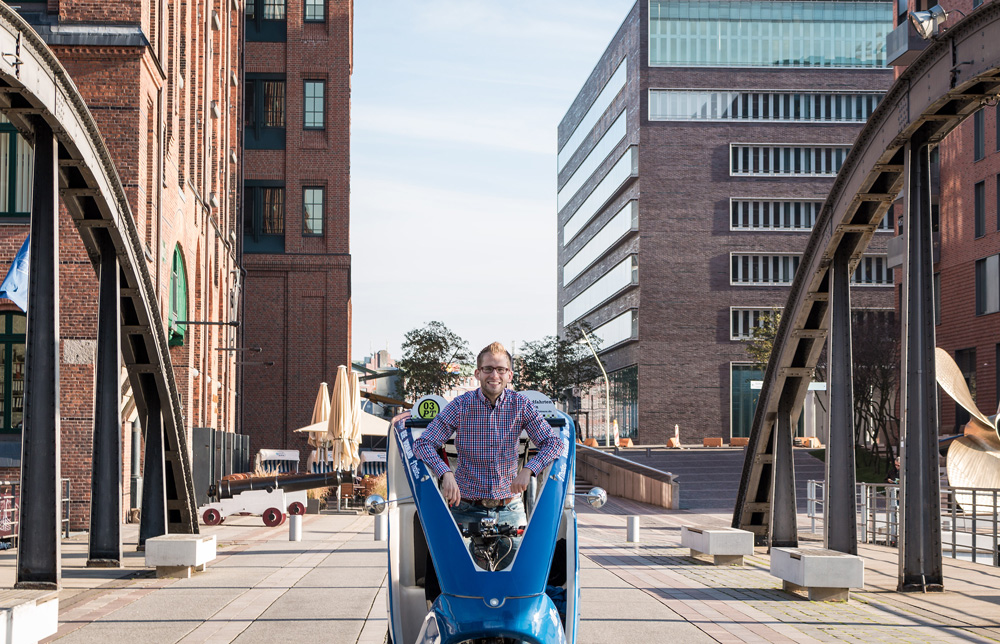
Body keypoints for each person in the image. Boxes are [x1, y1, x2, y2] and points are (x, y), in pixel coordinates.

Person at [413, 341, 562, 570]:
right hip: (465, 508)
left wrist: (529, 469)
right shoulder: (460, 406)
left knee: (520, 575)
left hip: (509, 508)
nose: (495, 374)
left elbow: (553, 442)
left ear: (509, 375)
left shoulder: (521, 405)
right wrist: (445, 473)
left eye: (501, 369)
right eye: (488, 369)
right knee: (456, 576)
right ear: (478, 373)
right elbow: (423, 443)